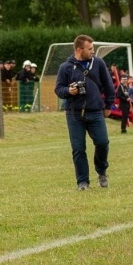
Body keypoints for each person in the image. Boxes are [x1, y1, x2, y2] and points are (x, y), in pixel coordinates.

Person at [54, 34, 116, 190]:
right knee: (78, 148)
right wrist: (69, 90)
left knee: (103, 143)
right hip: (74, 114)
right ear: (79, 49)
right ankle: (82, 182)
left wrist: (108, 106)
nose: (93, 51)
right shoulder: (65, 67)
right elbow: (58, 89)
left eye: (93, 48)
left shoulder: (99, 63)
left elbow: (109, 86)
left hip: (95, 112)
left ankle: (101, 171)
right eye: (90, 49)